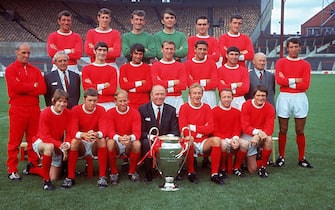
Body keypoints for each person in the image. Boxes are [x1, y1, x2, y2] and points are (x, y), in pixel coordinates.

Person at [5, 42, 46, 180]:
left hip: (34, 108)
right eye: (23, 52)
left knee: (33, 139)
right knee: (15, 140)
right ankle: (12, 169)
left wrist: (29, 87)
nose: (26, 55)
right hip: (18, 108)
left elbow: (42, 89)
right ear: (17, 52)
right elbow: (16, 88)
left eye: (28, 53)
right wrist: (32, 86)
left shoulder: (35, 69)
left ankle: (32, 165)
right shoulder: (10, 69)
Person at [274, 38, 313, 168]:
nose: (294, 49)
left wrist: (288, 81)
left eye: (296, 47)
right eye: (291, 47)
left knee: (300, 130)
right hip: (284, 97)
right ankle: (281, 157)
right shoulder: (281, 62)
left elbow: (305, 84)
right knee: (283, 129)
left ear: (300, 47)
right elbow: (279, 81)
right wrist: (297, 80)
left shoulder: (305, 64)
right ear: (287, 48)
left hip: (300, 98)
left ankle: (302, 158)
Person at [61, 88, 108, 189]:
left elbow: (104, 130)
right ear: (84, 99)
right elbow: (73, 131)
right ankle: (70, 177)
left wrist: (95, 134)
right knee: (74, 141)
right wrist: (84, 135)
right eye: (89, 100)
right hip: (82, 143)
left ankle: (102, 176)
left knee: (102, 140)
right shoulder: (76, 110)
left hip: (94, 142)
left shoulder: (101, 110)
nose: (92, 103)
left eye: (95, 100)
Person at [25, 89, 71, 190]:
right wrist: (60, 145)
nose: (62, 104)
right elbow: (45, 136)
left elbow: (69, 132)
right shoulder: (45, 113)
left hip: (56, 143)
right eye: (59, 101)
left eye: (64, 101)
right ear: (53, 100)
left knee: (54, 177)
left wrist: (66, 144)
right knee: (49, 147)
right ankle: (46, 181)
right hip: (41, 141)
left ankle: (32, 169)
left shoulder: (67, 113)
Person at [178, 83, 223, 185]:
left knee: (216, 140)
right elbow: (184, 129)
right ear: (189, 94)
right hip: (190, 141)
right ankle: (191, 172)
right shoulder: (184, 108)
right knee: (189, 139)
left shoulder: (207, 108)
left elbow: (210, 128)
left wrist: (193, 127)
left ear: (202, 94)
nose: (197, 96)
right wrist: (202, 129)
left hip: (204, 141)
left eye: (199, 93)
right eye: (194, 93)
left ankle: (214, 174)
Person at [139, 85, 180, 181]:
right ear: (151, 95)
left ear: (165, 95)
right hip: (150, 139)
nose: (159, 97)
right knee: (145, 143)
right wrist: (153, 137)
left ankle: (173, 171)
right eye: (157, 94)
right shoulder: (143, 109)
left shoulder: (171, 110)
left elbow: (175, 131)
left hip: (165, 140)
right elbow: (141, 131)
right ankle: (148, 172)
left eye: (162, 94)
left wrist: (166, 138)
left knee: (176, 143)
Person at [106, 90, 141, 185]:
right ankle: (114, 172)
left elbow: (137, 132)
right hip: (117, 141)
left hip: (128, 142)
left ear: (128, 100)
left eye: (125, 100)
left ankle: (132, 171)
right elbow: (110, 131)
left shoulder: (135, 113)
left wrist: (129, 138)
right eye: (120, 101)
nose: (123, 103)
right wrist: (119, 138)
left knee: (137, 144)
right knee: (110, 142)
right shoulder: (110, 112)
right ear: (115, 102)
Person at [212, 88, 249, 178]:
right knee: (224, 144)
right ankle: (222, 168)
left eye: (229, 97)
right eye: (224, 97)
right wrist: (228, 140)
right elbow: (214, 130)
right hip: (221, 139)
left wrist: (235, 138)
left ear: (232, 98)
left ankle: (237, 167)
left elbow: (237, 128)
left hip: (233, 138)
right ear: (220, 98)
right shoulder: (214, 111)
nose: (227, 99)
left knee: (245, 143)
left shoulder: (237, 112)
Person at [241, 85, 275, 178]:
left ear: (266, 96)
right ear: (254, 96)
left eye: (263, 96)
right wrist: (257, 133)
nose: (260, 98)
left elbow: (270, 128)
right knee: (252, 169)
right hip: (248, 134)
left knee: (268, 139)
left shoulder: (270, 108)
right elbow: (245, 127)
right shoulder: (246, 105)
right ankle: (250, 157)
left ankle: (263, 166)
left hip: (261, 135)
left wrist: (258, 135)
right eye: (258, 95)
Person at [151, 41, 187, 116]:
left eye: (171, 49)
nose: (169, 51)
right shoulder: (155, 66)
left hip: (177, 99)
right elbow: (156, 83)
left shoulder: (180, 66)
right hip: (162, 99)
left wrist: (164, 86)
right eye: (167, 48)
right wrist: (174, 82)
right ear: (162, 49)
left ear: (174, 50)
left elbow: (183, 85)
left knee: (176, 125)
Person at [82, 42, 117, 111]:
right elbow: (87, 89)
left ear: (107, 52)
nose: (102, 52)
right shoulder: (86, 69)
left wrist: (93, 86)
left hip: (109, 104)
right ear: (94, 51)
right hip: (93, 104)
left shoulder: (112, 69)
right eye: (99, 50)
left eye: (104, 50)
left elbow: (112, 89)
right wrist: (103, 86)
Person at [185, 40, 218, 108]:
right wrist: (206, 81)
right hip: (194, 94)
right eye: (200, 49)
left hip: (209, 95)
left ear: (207, 51)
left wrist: (195, 81)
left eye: (204, 49)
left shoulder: (212, 64)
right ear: (195, 49)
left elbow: (214, 83)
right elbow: (188, 83)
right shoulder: (188, 64)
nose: (202, 51)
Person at [119, 43, 152, 110]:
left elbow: (148, 87)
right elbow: (123, 86)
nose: (138, 56)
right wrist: (140, 83)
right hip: (129, 104)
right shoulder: (124, 68)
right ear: (131, 54)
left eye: (140, 54)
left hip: (144, 104)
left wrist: (131, 87)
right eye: (136, 54)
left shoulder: (148, 68)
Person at [217, 46, 250, 110]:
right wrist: (236, 85)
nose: (234, 57)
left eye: (236, 55)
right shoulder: (220, 70)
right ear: (226, 55)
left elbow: (245, 89)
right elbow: (221, 88)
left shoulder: (243, 70)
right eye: (231, 54)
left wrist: (227, 86)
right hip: (225, 99)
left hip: (240, 101)